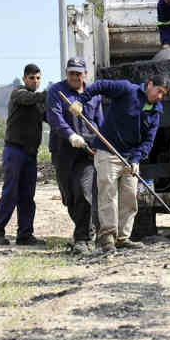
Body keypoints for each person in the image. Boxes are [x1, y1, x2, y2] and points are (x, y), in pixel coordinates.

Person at [68, 75, 169, 253]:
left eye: (164, 94)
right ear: (150, 84)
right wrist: (81, 101)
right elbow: (100, 85)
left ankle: (123, 238)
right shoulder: (127, 89)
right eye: (159, 91)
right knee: (108, 195)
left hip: (130, 159)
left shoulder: (155, 112)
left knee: (130, 198)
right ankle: (107, 239)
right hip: (108, 152)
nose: (160, 96)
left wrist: (137, 160)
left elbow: (148, 141)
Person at [46, 57, 103, 254]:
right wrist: (70, 135)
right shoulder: (57, 92)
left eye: (78, 73)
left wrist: (99, 144)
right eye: (71, 73)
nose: (75, 77)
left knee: (83, 190)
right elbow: (55, 118)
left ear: (85, 74)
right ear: (67, 73)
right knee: (69, 196)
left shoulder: (93, 95)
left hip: (86, 153)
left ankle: (83, 237)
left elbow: (99, 122)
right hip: (64, 150)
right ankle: (86, 230)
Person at [0, 63, 47, 246]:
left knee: (27, 196)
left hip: (30, 154)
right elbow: (30, 99)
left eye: (38, 78)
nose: (35, 81)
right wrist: (51, 94)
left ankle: (25, 234)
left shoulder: (39, 103)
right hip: (15, 151)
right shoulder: (19, 94)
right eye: (31, 78)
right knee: (10, 193)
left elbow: (51, 117)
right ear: (24, 79)